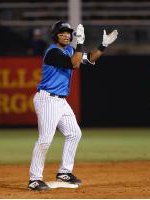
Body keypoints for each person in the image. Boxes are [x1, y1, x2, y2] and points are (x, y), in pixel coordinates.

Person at [28, 21, 118, 191]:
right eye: (63, 32)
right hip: (47, 99)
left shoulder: (69, 50)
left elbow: (89, 58)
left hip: (60, 101)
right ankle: (34, 179)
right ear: (55, 36)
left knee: (74, 133)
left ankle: (64, 172)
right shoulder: (52, 52)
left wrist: (103, 45)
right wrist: (80, 43)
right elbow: (74, 64)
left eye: (69, 32)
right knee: (45, 140)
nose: (68, 35)